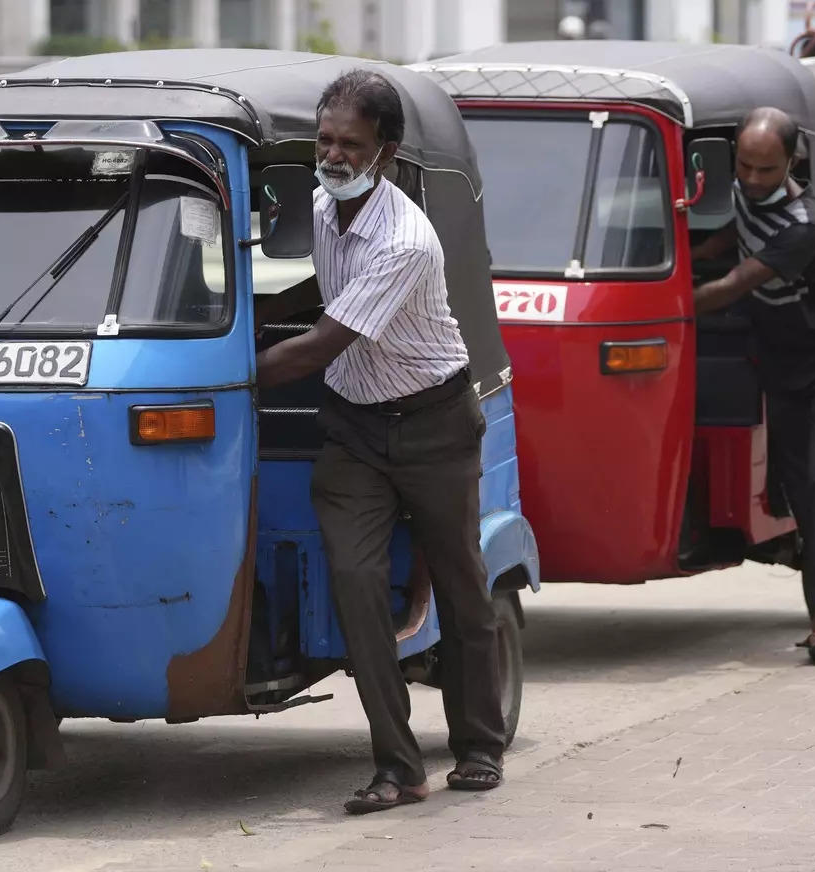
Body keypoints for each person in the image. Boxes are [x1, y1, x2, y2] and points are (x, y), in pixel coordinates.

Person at [255, 69, 506, 814]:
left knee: (461, 585)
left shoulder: (406, 242)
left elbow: (324, 340)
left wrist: (217, 369)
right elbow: (322, 297)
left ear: (385, 153)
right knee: (356, 587)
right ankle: (398, 768)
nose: (332, 156)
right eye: (324, 140)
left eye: (350, 145)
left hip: (433, 425)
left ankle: (479, 746)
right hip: (355, 430)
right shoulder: (320, 206)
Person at [691, 107, 815, 665]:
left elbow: (734, 285)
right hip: (781, 360)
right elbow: (729, 239)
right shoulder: (747, 193)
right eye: (742, 166)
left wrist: (654, 302)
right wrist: (681, 262)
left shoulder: (804, 225)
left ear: (791, 163)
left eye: (765, 170)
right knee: (798, 490)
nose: (750, 179)